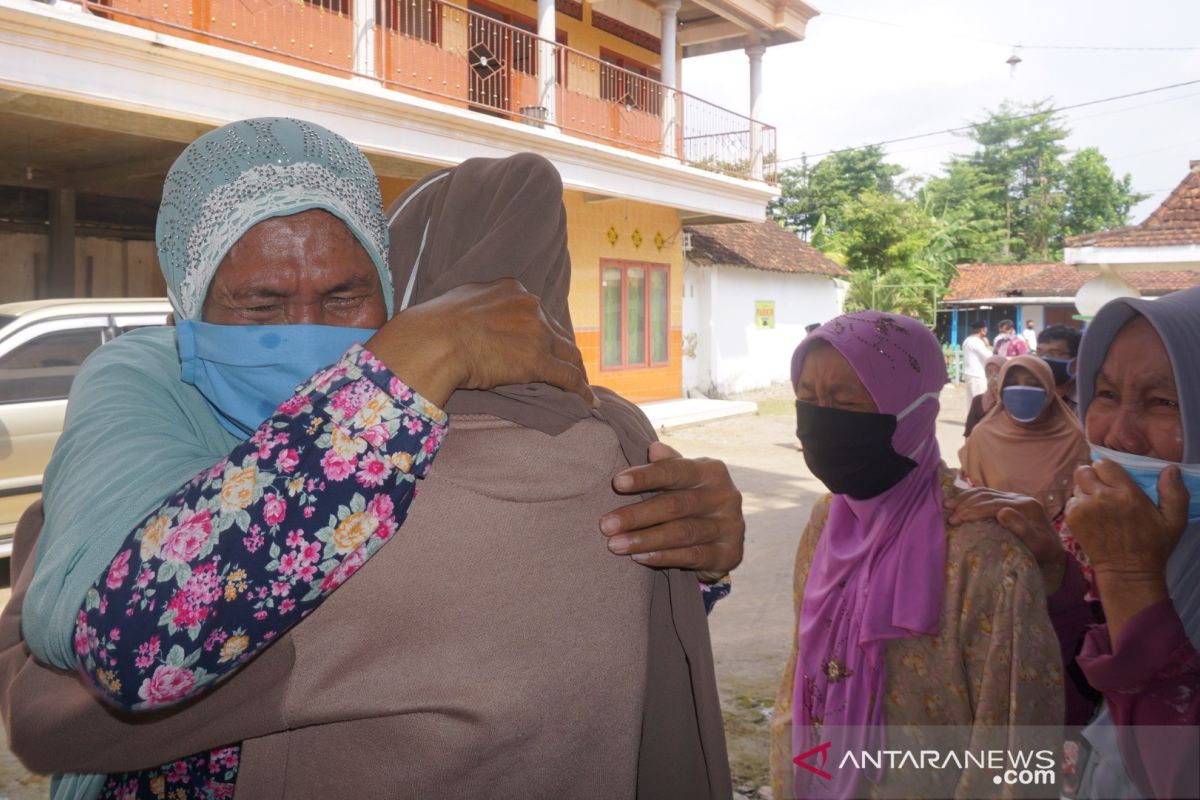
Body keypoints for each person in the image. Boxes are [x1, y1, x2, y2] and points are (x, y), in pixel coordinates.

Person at [5, 121, 746, 798]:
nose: (306, 332)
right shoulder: (150, 379)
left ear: (397, 295)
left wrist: (688, 558)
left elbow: (49, 702)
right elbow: (106, 668)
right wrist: (413, 358)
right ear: (188, 307)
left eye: (346, 296)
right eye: (260, 306)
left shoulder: (427, 432)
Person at [770, 311, 1062, 800]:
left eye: (845, 402)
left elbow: (1016, 735)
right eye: (807, 399)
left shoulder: (983, 554)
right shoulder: (826, 522)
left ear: (913, 410)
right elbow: (802, 672)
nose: (820, 421)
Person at [946, 287, 1200, 799]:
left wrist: (1130, 576)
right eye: (1105, 395)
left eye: (1164, 401)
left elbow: (1174, 772)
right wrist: (1058, 575)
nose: (1120, 435)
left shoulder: (1136, 555)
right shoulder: (1157, 547)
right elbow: (1092, 694)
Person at [959, 355, 1090, 524]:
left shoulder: (1074, 438)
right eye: (1012, 383)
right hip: (995, 539)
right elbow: (969, 494)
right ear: (1001, 388)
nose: (1021, 390)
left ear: (1049, 388)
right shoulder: (982, 436)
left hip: (1057, 545)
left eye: (1033, 384)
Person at [1036, 324, 1082, 414]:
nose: (1043, 359)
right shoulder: (1031, 394)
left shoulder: (1087, 401)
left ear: (1077, 362)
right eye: (1039, 352)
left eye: (1054, 353)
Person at [963, 354, 1005, 437]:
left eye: (997, 371)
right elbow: (969, 432)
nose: (993, 375)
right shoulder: (978, 401)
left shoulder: (1011, 402)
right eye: (989, 371)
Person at [962, 318, 991, 400]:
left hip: (969, 373)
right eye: (985, 329)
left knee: (971, 402)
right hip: (977, 376)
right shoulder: (977, 342)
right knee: (980, 402)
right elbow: (989, 356)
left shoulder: (967, 340)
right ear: (982, 330)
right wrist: (988, 345)